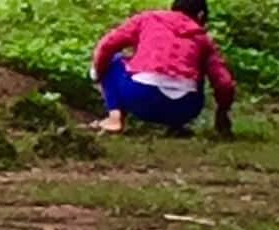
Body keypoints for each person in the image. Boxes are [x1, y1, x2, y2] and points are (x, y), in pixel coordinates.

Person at [90, 0, 235, 136]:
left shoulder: (148, 19)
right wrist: (222, 112)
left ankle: (115, 118)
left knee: (114, 60)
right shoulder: (203, 39)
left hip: (141, 98)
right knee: (198, 68)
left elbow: (107, 46)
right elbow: (224, 83)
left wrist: (97, 74)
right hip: (185, 108)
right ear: (201, 15)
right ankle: (175, 125)